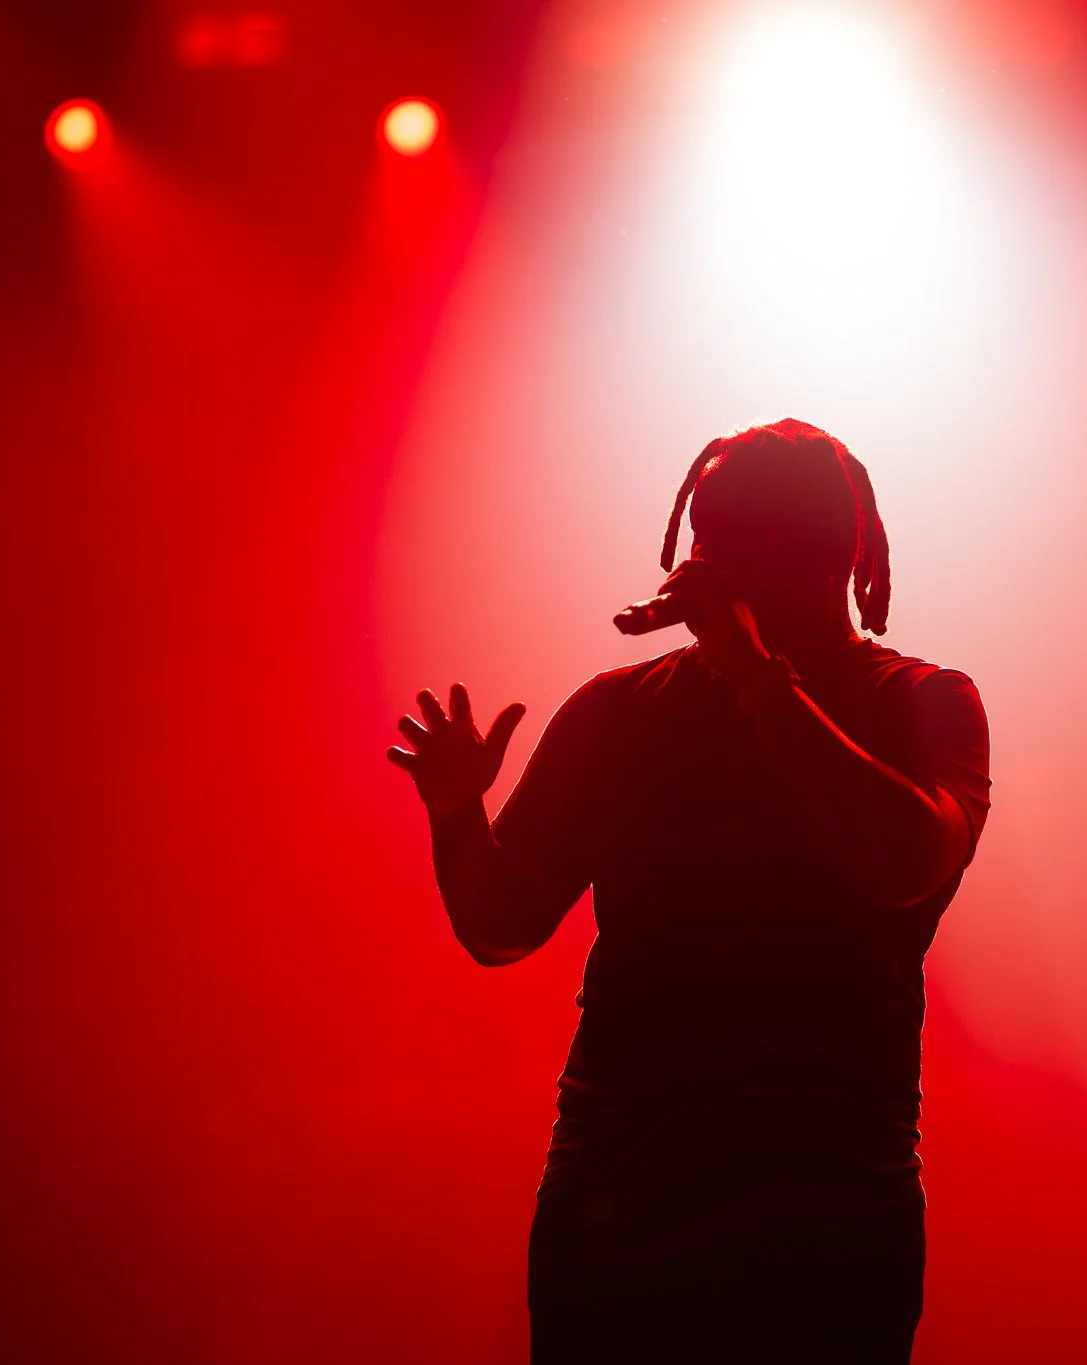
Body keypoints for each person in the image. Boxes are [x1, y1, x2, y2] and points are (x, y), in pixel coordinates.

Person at [388, 419, 991, 1363]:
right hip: (619, 1205)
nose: (708, 553)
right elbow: (500, 925)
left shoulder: (922, 701)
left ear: (829, 549)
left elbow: (905, 860)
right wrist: (458, 815)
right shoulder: (617, 709)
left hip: (825, 1213)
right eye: (704, 527)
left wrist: (758, 677)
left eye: (740, 530)